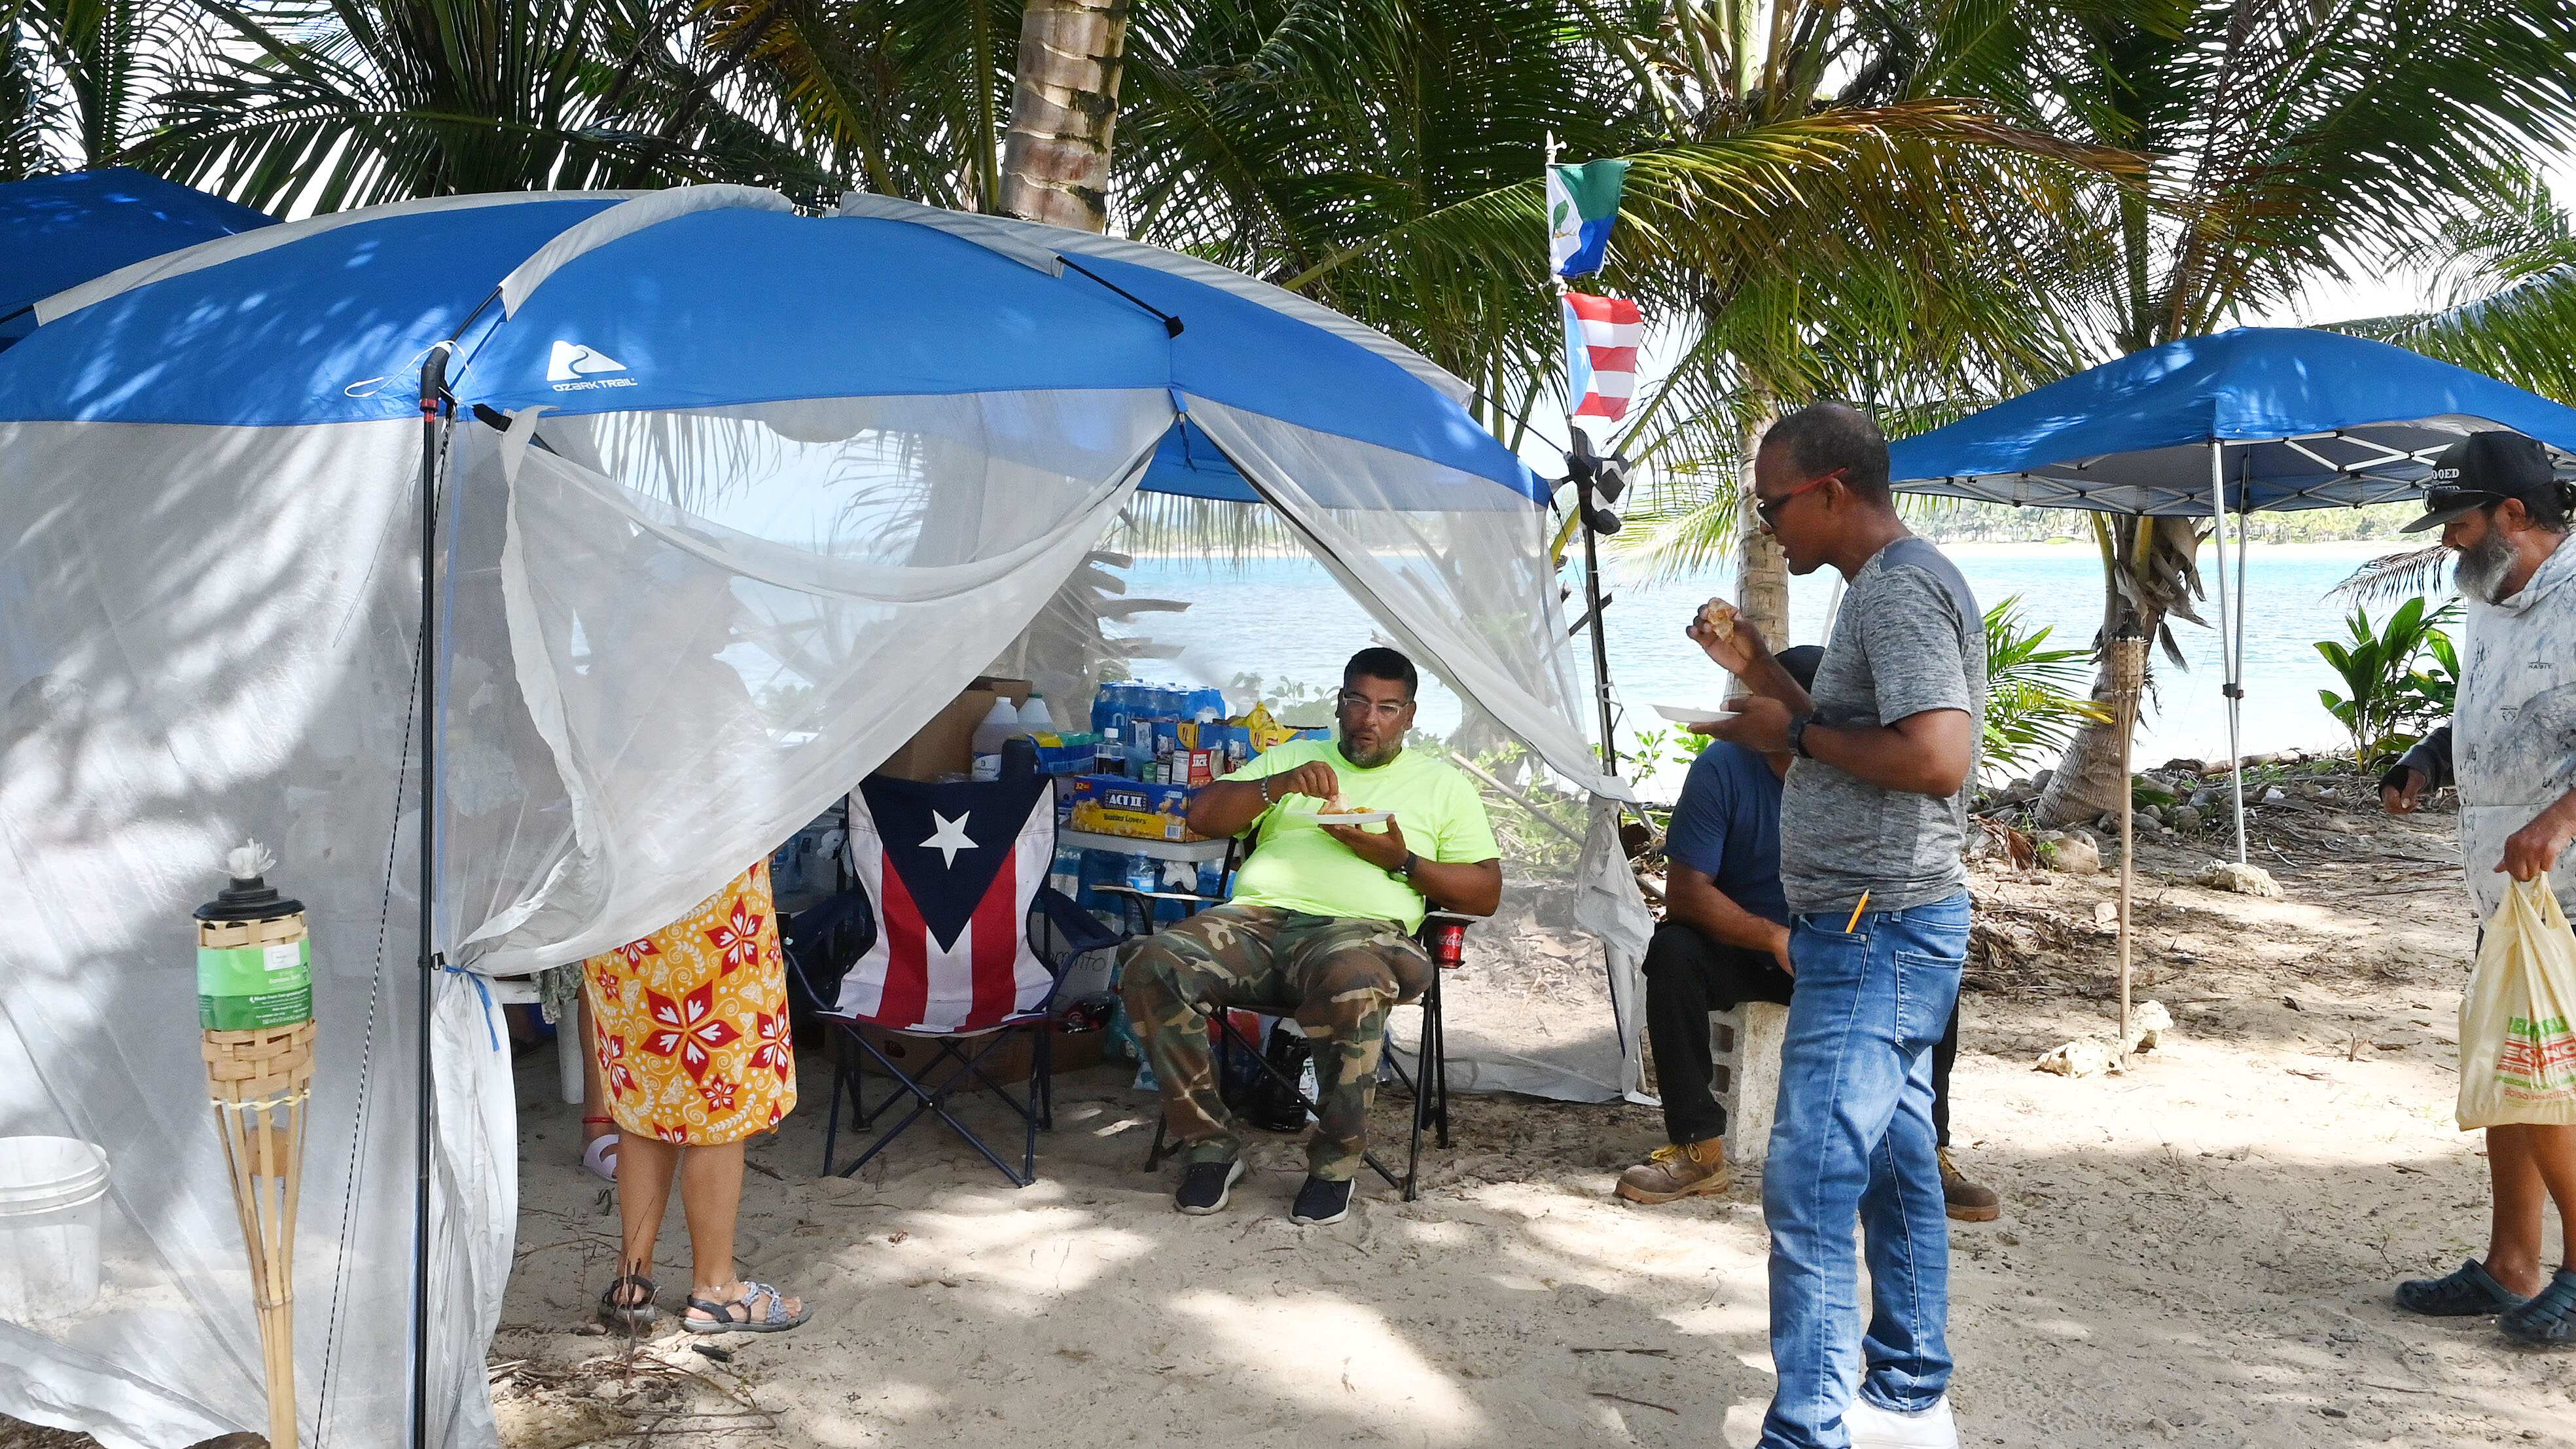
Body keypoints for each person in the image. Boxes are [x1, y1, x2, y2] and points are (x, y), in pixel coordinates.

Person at [1694, 401, 1985, 1449]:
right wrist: (1762, 669)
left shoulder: (1900, 593)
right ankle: (1906, 1384)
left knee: (1809, 1175)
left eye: (1774, 503)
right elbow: (1832, 729)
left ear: (1828, 490)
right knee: (1897, 1161)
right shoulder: (1891, 586)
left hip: (1878, 929)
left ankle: (1807, 1429)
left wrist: (1800, 727)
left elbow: (1937, 757)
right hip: (1875, 923)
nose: (1769, 524)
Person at [1119, 647, 1503, 1226]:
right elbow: (1203, 815)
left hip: (1364, 933)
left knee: (1353, 980)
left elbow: (1484, 893)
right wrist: (1276, 786)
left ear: (1410, 715)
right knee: (1154, 962)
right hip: (1256, 922)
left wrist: (1402, 862)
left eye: (1386, 707)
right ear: (1340, 703)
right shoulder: (1296, 758)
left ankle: (1334, 1165)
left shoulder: (1442, 785)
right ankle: (1209, 1146)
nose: (1369, 718)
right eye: (1358, 702)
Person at [1615, 645, 1999, 1223]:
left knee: (1930, 974)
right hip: (1753, 947)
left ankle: (1926, 1153)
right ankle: (1699, 1147)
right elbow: (1687, 893)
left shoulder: (1866, 778)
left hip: (1848, 947)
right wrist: (1773, 938)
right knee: (1672, 952)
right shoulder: (1722, 768)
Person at [2379, 431, 2576, 1349]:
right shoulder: (2491, 598)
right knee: (2506, 1063)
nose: (2448, 543)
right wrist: (2429, 755)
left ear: (2512, 513)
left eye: (2458, 524)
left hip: (2568, 893)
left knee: (2554, 1084)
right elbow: (2485, 709)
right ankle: (2512, 1263)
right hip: (2504, 889)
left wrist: (2562, 818)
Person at [587, 861, 813, 1335]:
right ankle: (716, 1289)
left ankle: (632, 1282)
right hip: (713, 898)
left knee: (646, 1090)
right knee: (720, 1097)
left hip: (628, 897)